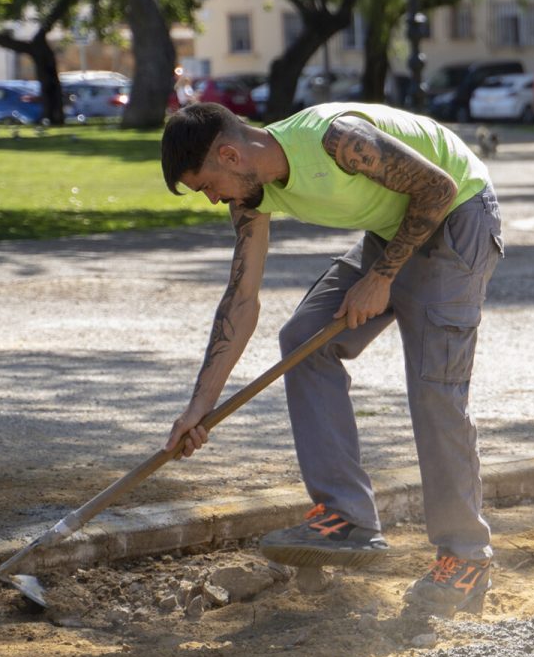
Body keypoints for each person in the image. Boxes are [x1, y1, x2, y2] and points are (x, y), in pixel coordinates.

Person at [159, 101, 504, 617]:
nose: (212, 199)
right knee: (305, 341)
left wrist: (382, 277)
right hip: (397, 225)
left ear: (229, 155)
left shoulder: (336, 141)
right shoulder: (251, 197)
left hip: (460, 217)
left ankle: (466, 557)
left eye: (207, 185)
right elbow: (241, 301)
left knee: (436, 390)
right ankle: (346, 516)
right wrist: (199, 408)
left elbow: (438, 189)